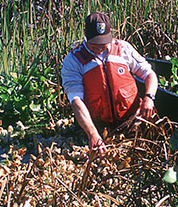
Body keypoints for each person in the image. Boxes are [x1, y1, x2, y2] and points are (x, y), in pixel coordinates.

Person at [61, 12, 158, 155]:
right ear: (85, 34)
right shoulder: (74, 60)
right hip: (98, 124)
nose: (100, 47)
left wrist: (149, 98)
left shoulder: (123, 48)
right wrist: (92, 133)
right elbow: (76, 101)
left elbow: (149, 74)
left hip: (131, 119)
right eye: (95, 44)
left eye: (103, 42)